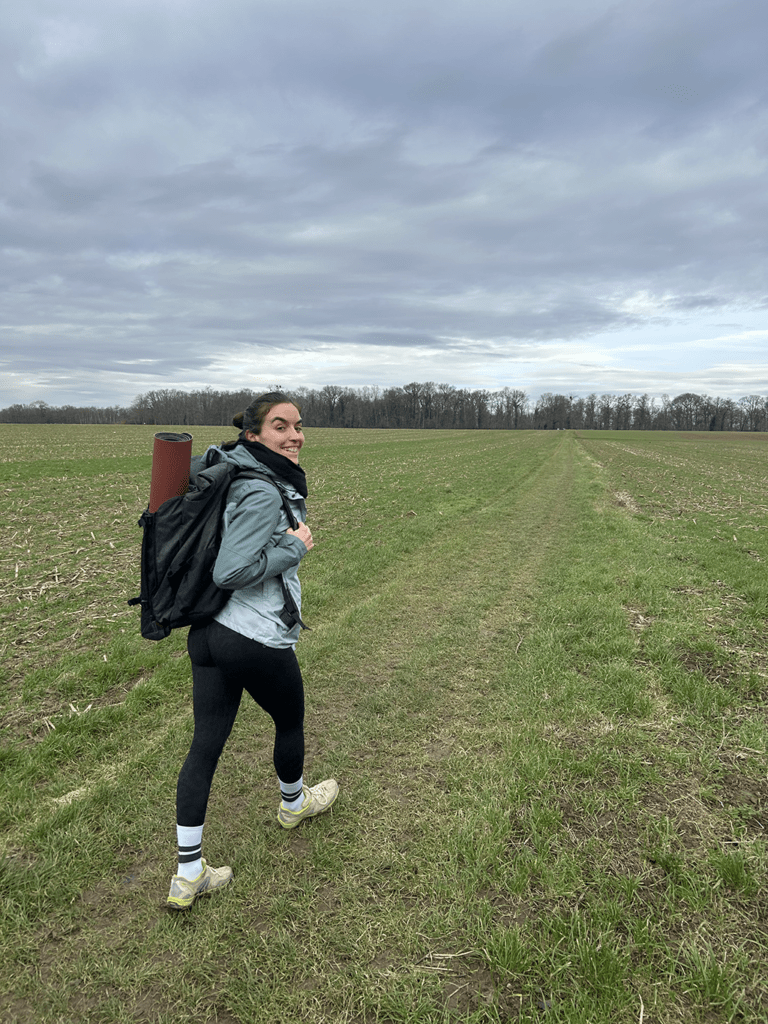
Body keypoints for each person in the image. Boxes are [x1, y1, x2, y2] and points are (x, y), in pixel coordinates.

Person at [166, 392, 338, 910]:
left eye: (298, 426)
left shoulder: (227, 469)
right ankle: (294, 805)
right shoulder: (262, 490)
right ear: (253, 435)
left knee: (204, 745)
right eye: (280, 426)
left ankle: (188, 875)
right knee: (289, 722)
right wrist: (293, 546)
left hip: (207, 634)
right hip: (252, 635)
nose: (295, 436)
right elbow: (232, 570)